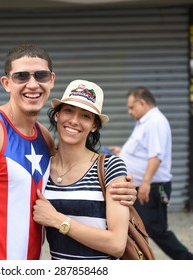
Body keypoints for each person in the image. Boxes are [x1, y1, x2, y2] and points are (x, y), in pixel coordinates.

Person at [0, 44, 137, 260]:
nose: (32, 84)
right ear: (6, 83)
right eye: (21, 76)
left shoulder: (44, 138)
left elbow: (73, 174)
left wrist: (123, 189)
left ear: (51, 80)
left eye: (40, 75)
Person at [33, 80, 130, 260]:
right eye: (68, 111)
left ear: (94, 126)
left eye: (85, 116)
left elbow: (117, 244)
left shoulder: (110, 167)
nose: (74, 121)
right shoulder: (43, 167)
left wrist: (58, 220)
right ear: (57, 115)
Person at [109, 86, 193, 260]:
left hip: (152, 188)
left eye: (131, 107)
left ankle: (192, 262)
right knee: (135, 228)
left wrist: (145, 183)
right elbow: (144, 151)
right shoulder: (145, 122)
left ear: (142, 103)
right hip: (145, 186)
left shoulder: (155, 121)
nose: (129, 112)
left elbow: (156, 156)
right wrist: (122, 153)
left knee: (157, 231)